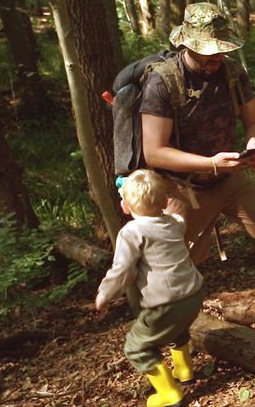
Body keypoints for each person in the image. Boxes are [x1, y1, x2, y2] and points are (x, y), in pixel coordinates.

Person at [140, 2, 255, 292]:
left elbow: (254, 121)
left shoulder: (233, 73)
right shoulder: (164, 81)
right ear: (187, 45)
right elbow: (154, 152)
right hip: (181, 187)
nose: (217, 56)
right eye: (208, 50)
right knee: (177, 262)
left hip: (229, 177)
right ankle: (178, 324)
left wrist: (253, 146)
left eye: (221, 48)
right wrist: (210, 163)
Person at [95, 170, 204, 407]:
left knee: (137, 347)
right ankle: (184, 370)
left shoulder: (131, 232)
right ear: (165, 202)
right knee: (177, 328)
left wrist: (105, 294)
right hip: (194, 293)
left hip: (166, 301)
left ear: (124, 207)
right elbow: (179, 217)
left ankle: (170, 394)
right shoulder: (174, 223)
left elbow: (121, 270)